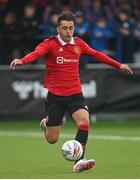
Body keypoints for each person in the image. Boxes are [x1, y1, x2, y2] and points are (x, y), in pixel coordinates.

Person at [10, 10, 133, 173]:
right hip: (55, 96)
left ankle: (79, 161)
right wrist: (22, 61)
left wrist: (119, 65)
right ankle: (47, 124)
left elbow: (97, 54)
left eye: (71, 28)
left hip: (75, 94)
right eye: (65, 28)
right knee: (53, 139)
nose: (68, 31)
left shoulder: (79, 44)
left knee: (84, 122)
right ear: (58, 29)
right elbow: (36, 53)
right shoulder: (49, 44)